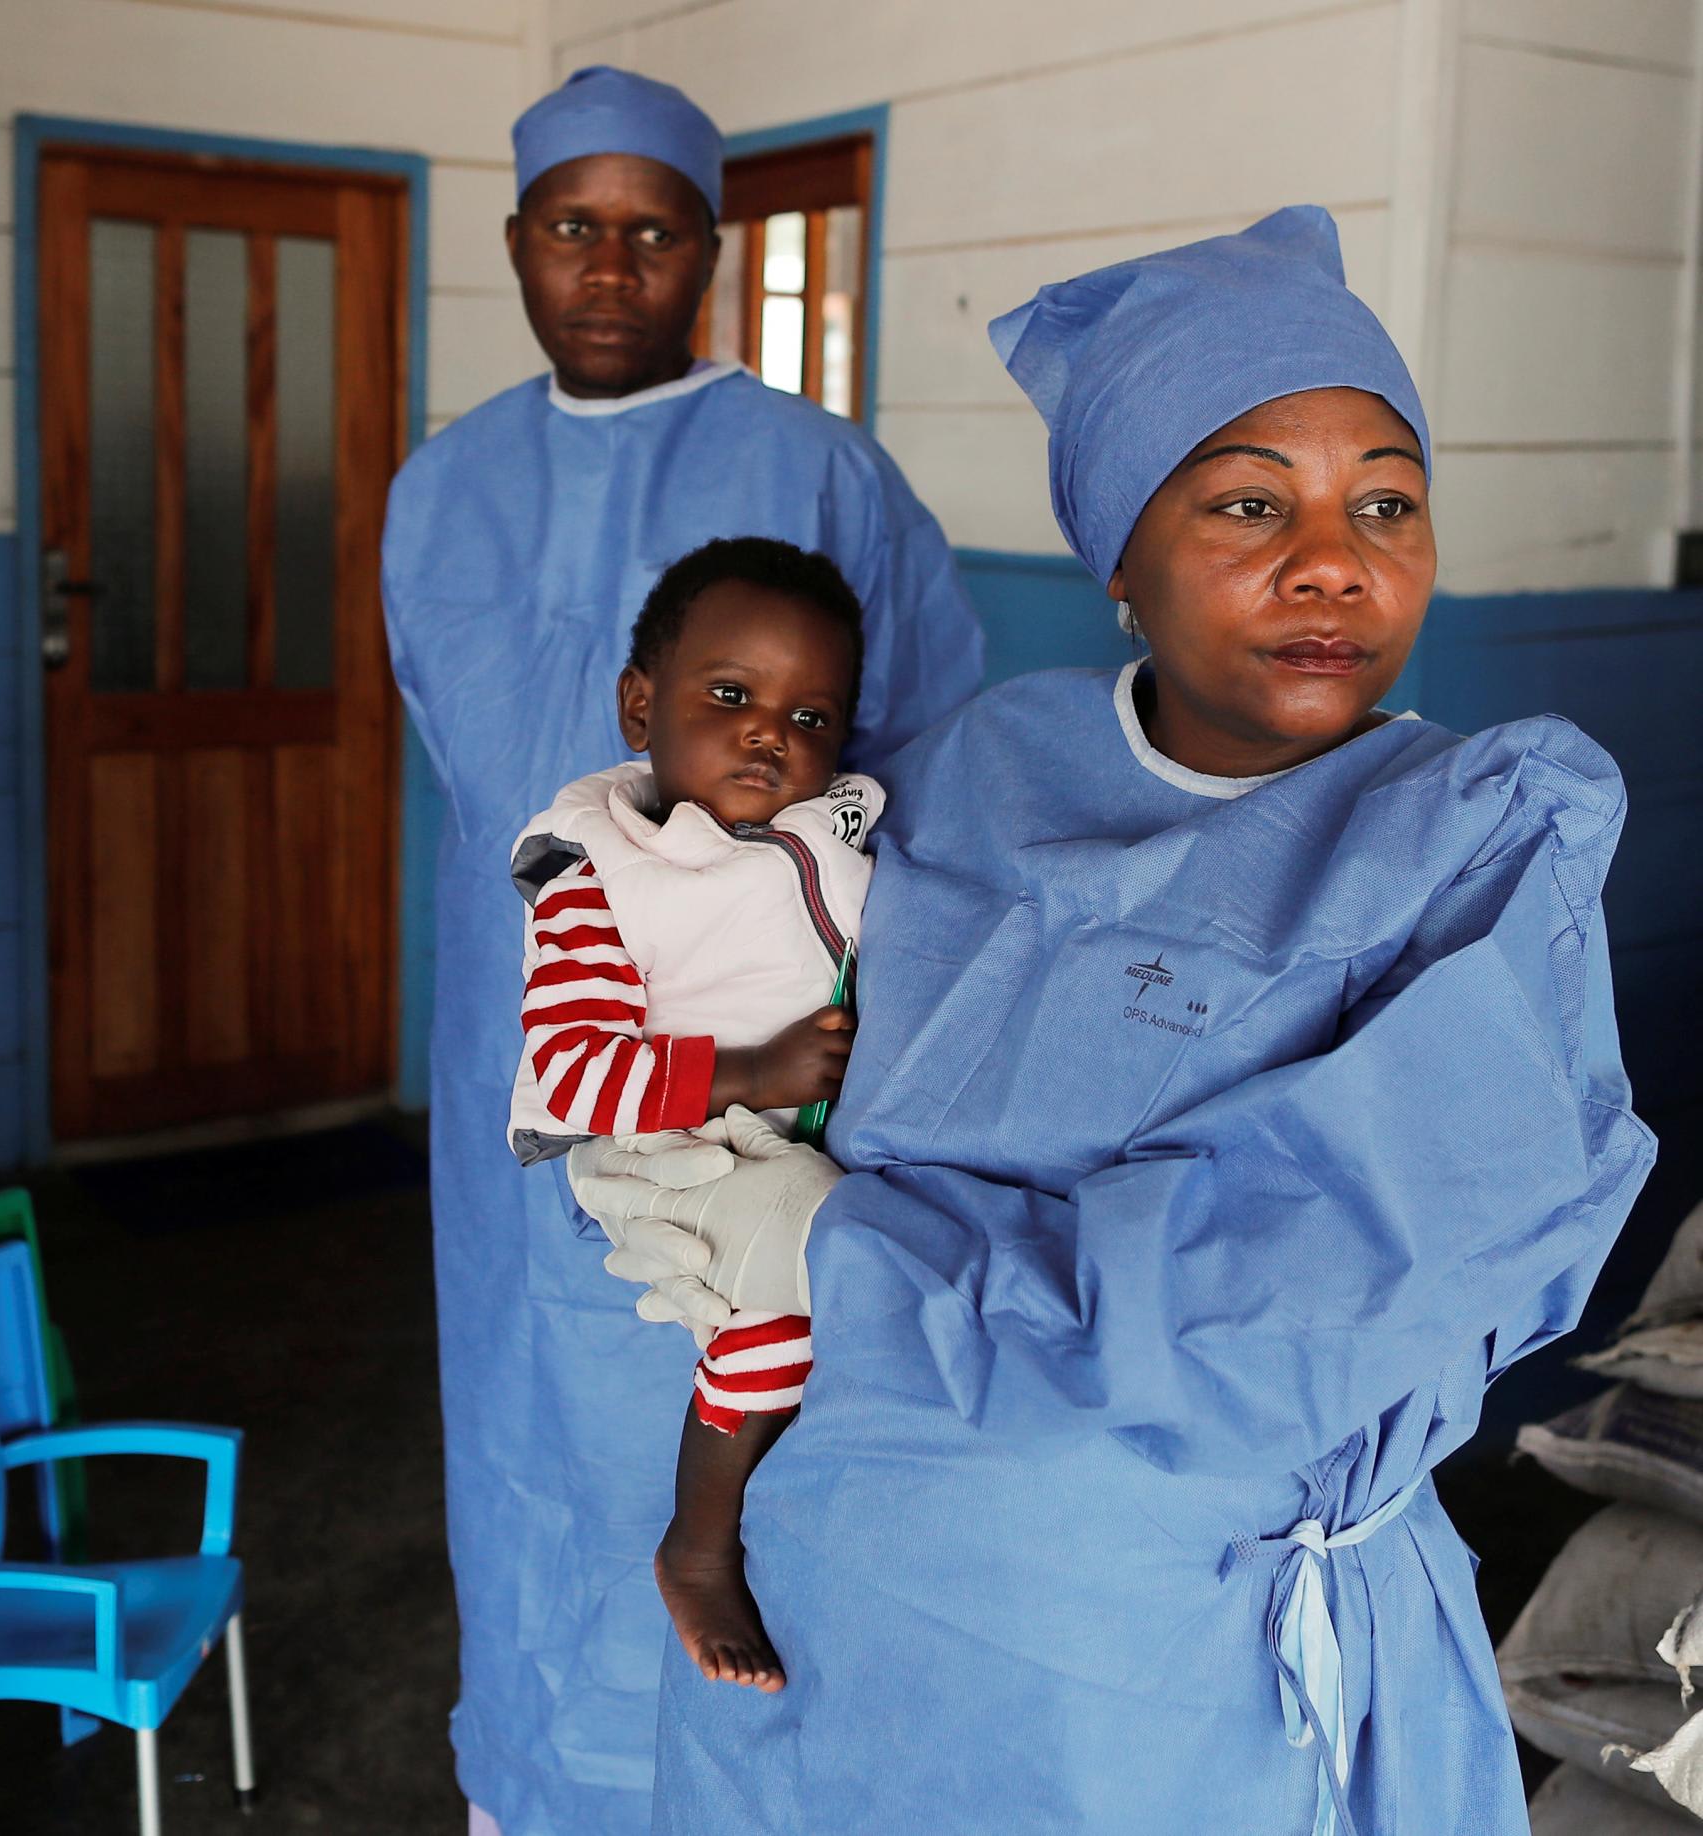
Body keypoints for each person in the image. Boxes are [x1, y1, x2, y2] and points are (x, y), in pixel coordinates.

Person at [570, 206, 1658, 1834]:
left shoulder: (1480, 845)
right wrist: (672, 1128)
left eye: (1386, 502)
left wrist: (841, 1257)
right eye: (1244, 503)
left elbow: (1294, 1309)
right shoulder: (967, 776)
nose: (1333, 560)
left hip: (1158, 1677)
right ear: (1120, 564)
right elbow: (741, 972)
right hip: (824, 1609)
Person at [382, 65, 982, 1834]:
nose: (611, 266)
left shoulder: (816, 468)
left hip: (773, 1084)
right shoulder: (441, 488)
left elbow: (916, 776)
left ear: (707, 250)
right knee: (528, 1441)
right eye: (574, 226)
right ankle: (532, 1790)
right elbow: (464, 742)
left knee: (748, 1398)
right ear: (516, 242)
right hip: (532, 1046)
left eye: (654, 231)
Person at [506, 537, 876, 1694]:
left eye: (811, 716)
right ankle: (700, 1543)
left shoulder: (833, 828)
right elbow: (567, 1072)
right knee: (795, 1285)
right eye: (729, 696)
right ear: (638, 705)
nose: (771, 732)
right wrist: (747, 1074)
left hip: (778, 1127)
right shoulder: (599, 879)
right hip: (667, 1146)